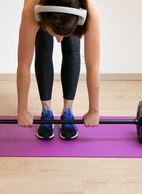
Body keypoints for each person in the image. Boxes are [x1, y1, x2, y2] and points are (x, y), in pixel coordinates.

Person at [17, 0, 100, 140]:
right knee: (43, 48)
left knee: (72, 48)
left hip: (74, 7)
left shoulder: (90, 10)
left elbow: (93, 66)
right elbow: (24, 64)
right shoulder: (31, 7)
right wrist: (22, 110)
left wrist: (94, 111)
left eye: (63, 35)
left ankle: (68, 111)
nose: (59, 40)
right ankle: (46, 111)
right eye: (56, 34)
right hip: (43, 6)